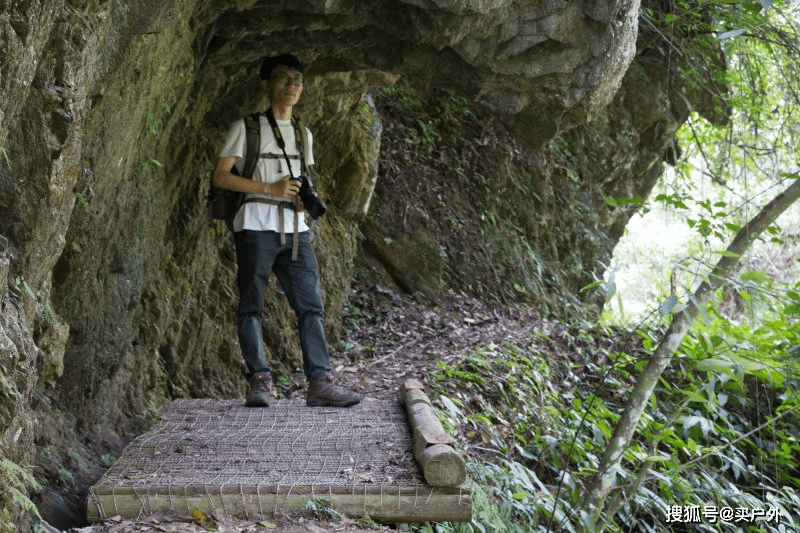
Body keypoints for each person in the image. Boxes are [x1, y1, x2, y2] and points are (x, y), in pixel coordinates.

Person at [213, 53, 362, 409]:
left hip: (296, 229)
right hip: (254, 224)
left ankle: (319, 381)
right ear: (267, 84)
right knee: (251, 305)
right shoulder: (245, 128)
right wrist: (271, 190)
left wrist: (299, 199)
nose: (291, 86)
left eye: (297, 79)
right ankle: (260, 382)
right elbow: (221, 176)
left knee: (311, 305)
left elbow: (302, 179)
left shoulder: (302, 132)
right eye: (283, 78)